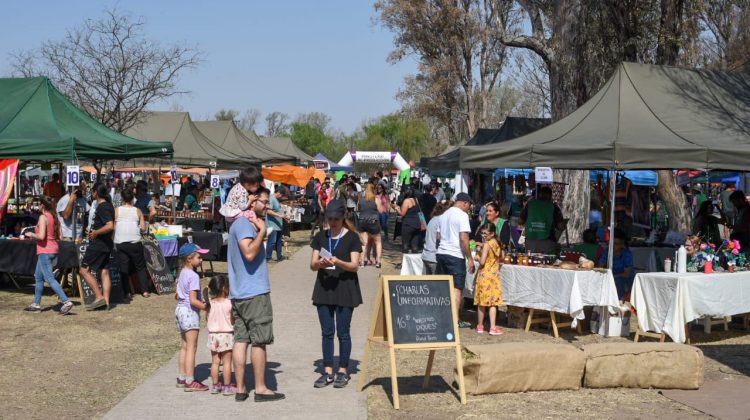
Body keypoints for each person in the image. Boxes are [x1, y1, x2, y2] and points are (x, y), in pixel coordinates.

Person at [228, 185, 285, 402]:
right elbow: (249, 253)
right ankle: (260, 388)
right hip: (253, 292)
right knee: (259, 340)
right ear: (252, 201)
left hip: (241, 292)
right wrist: (262, 231)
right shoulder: (244, 224)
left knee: (241, 340)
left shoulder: (237, 223)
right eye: (264, 201)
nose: (267, 206)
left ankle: (241, 388)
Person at [309, 199, 362, 388]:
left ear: (343, 218)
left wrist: (337, 262)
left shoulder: (353, 238)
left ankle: (343, 370)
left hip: (345, 288)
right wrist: (320, 263)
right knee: (327, 332)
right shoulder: (321, 237)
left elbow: (355, 266)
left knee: (343, 332)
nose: (332, 222)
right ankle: (328, 370)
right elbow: (312, 265)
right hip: (324, 288)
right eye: (329, 219)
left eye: (336, 219)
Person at [23, 196, 74, 315]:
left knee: (49, 278)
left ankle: (66, 301)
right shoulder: (54, 217)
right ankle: (36, 304)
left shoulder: (43, 217)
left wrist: (30, 234)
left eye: (39, 204)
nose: (38, 206)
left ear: (43, 205)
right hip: (52, 249)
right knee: (38, 277)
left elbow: (41, 236)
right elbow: (60, 237)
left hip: (45, 250)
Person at [436, 193, 475, 328]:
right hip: (455, 255)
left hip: (441, 253)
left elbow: (438, 236)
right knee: (456, 289)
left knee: (442, 287)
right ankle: (454, 320)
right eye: (469, 206)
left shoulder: (444, 214)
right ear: (464, 203)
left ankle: (441, 316)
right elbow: (464, 239)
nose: (469, 209)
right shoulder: (462, 215)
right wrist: (469, 258)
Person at [175, 243, 210, 392]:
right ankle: (190, 380)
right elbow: (194, 300)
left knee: (184, 346)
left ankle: (182, 377)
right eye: (199, 257)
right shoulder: (193, 276)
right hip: (189, 312)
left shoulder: (181, 273)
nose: (201, 260)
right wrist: (208, 307)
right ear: (189, 259)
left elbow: (177, 295)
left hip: (180, 311)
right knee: (191, 348)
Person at [78, 184, 115, 310]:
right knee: (104, 272)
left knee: (83, 270)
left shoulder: (103, 207)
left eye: (92, 192)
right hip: (106, 243)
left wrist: (96, 232)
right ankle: (106, 302)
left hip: (99, 244)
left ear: (96, 193)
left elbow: (110, 226)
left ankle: (99, 297)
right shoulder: (109, 206)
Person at [114, 188, 151, 298]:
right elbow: (144, 228)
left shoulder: (117, 210)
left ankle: (127, 292)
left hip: (121, 241)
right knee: (140, 267)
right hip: (135, 241)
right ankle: (145, 291)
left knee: (124, 267)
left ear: (122, 198)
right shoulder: (137, 210)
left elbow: (114, 226)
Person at [206, 274, 236, 396]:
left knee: (215, 362)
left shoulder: (209, 303)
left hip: (213, 336)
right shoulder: (229, 303)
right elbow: (233, 319)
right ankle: (227, 386)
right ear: (224, 288)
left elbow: (206, 319)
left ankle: (215, 385)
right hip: (227, 335)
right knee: (227, 362)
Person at [474, 222, 503, 336]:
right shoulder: (496, 243)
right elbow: (502, 257)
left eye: (485, 234)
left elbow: (482, 261)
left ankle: (480, 325)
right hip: (494, 276)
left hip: (485, 275)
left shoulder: (487, 245)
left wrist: (477, 256)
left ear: (492, 233)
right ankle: (492, 327)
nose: (483, 236)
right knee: (492, 303)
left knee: (482, 302)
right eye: (482, 233)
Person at [520, 186, 565, 254]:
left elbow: (520, 221)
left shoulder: (530, 204)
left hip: (531, 241)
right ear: (550, 195)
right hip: (547, 242)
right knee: (547, 263)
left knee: (531, 262)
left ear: (539, 195)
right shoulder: (554, 207)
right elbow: (560, 226)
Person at [598, 228, 634, 300]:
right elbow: (600, 266)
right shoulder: (607, 251)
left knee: (617, 281)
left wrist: (612, 276)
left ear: (622, 244)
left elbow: (626, 274)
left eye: (616, 244)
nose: (613, 246)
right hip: (612, 277)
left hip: (625, 280)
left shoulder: (626, 254)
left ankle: (620, 301)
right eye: (611, 243)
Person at [357, 183, 383, 268]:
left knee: (364, 243)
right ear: (374, 190)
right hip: (373, 222)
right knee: (378, 242)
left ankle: (362, 262)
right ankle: (378, 261)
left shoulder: (361, 200)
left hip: (362, 221)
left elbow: (358, 209)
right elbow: (381, 211)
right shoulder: (376, 199)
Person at [422, 201, 451, 275]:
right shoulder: (441, 220)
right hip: (434, 257)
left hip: (426, 255)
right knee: (436, 285)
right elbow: (440, 238)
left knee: (426, 284)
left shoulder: (433, 219)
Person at [391, 187, 422, 253]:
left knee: (405, 245)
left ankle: (405, 261)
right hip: (417, 224)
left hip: (408, 225)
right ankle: (415, 261)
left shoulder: (407, 201)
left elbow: (402, 214)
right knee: (415, 245)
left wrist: (397, 209)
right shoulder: (416, 200)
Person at [265, 188, 288, 262]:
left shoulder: (275, 200)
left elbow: (277, 210)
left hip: (278, 225)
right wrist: (279, 215)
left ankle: (279, 256)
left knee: (279, 241)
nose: (281, 197)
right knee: (272, 241)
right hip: (272, 225)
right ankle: (268, 257)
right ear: (278, 192)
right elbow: (268, 211)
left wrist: (284, 216)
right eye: (281, 195)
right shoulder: (271, 199)